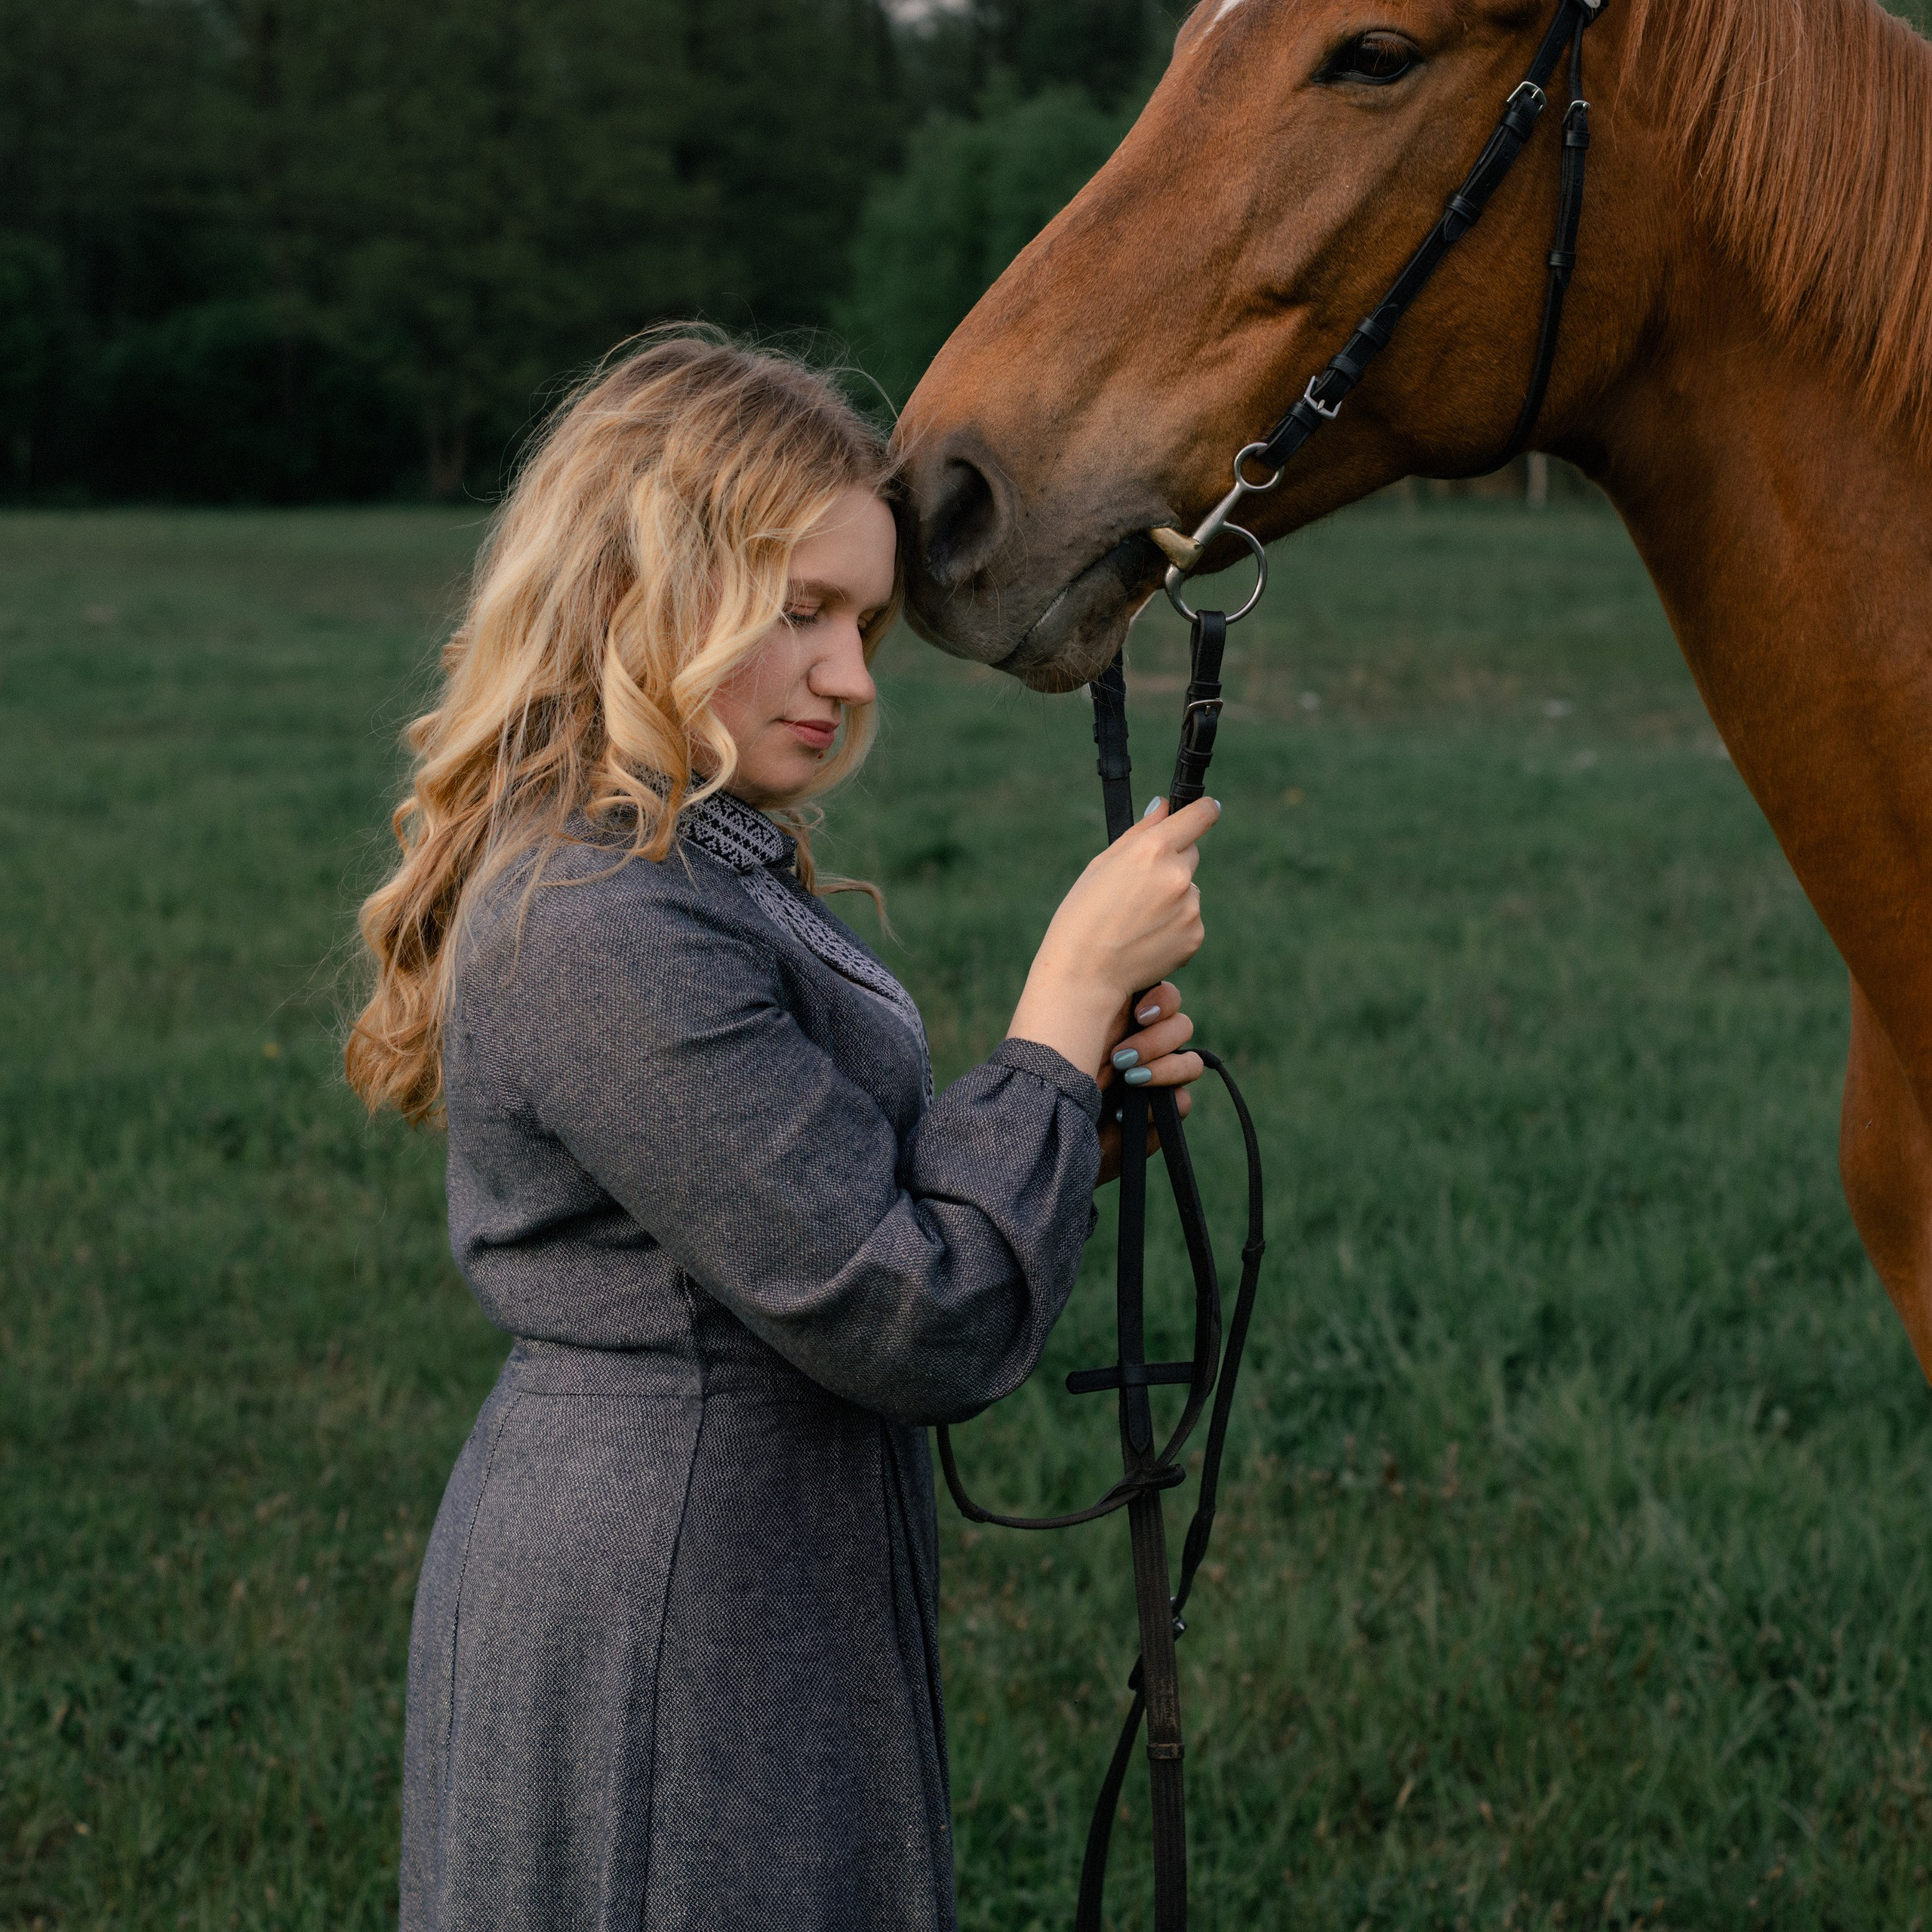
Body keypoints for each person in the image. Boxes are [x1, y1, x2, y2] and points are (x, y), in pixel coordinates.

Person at [346, 331, 1220, 1932]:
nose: (849, 673)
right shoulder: (599, 916)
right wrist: (1058, 1002)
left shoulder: (689, 856)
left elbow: (814, 1189)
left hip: (748, 1547)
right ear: (636, 594)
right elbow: (914, 1307)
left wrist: (1062, 1110)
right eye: (796, 611)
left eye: (864, 620)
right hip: (665, 1591)